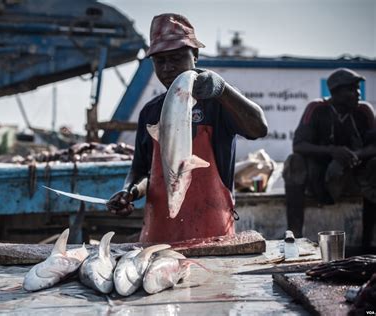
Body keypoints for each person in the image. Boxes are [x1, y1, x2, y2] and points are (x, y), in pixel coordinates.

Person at [106, 13, 268, 243]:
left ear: (196, 56)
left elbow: (259, 128)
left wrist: (224, 90)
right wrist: (129, 192)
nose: (168, 68)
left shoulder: (220, 104)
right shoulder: (151, 112)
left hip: (214, 235)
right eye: (160, 61)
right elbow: (142, 171)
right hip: (159, 237)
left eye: (177, 58)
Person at [284, 68, 376, 247]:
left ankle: (368, 241)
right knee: (294, 162)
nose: (357, 93)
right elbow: (299, 145)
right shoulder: (316, 108)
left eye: (357, 89)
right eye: (351, 89)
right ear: (335, 92)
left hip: (354, 178)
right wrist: (332, 151)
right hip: (319, 179)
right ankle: (293, 237)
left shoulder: (364, 111)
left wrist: (355, 155)